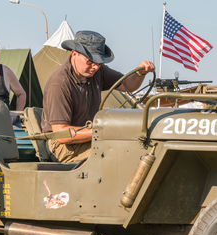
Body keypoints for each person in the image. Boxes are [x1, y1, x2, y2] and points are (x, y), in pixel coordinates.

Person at [41, 30, 155, 163]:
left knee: (134, 149)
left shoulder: (97, 72)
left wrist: (140, 73)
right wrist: (104, 130)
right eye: (90, 61)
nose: (95, 67)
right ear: (74, 54)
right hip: (62, 147)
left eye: (99, 62)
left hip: (89, 137)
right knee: (115, 155)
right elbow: (61, 134)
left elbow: (127, 85)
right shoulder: (59, 83)